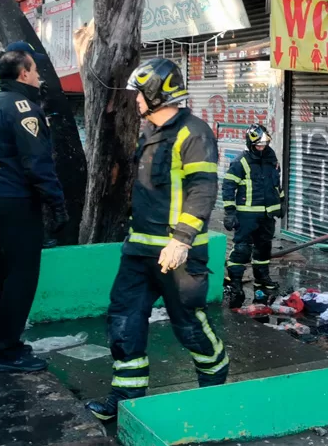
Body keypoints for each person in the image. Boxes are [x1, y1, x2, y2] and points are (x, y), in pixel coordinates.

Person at [85, 58, 227, 421]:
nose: (135, 100)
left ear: (156, 93)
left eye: (139, 94)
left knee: (189, 324)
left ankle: (214, 388)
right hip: (139, 250)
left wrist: (181, 239)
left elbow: (202, 188)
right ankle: (125, 397)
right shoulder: (148, 131)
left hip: (178, 254)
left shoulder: (193, 133)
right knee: (123, 318)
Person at [0, 47, 67, 373]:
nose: (39, 77)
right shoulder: (23, 108)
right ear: (23, 74)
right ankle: (9, 351)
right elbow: (38, 163)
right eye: (36, 71)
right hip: (17, 200)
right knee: (21, 276)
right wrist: (56, 203)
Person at [222, 124, 284, 309]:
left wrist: (282, 203)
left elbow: (276, 184)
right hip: (247, 215)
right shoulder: (241, 162)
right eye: (258, 144)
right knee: (241, 251)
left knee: (263, 250)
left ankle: (261, 282)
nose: (261, 147)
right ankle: (236, 286)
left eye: (264, 144)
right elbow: (228, 186)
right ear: (250, 143)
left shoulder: (271, 159)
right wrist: (230, 212)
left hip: (266, 215)